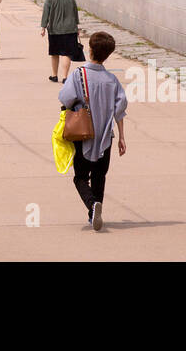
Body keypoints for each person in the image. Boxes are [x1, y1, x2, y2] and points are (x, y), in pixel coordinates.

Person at [58, 31, 128, 231]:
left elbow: (65, 98)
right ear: (108, 55)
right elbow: (120, 110)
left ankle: (91, 205)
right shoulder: (112, 80)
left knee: (80, 176)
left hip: (83, 134)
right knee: (99, 176)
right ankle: (96, 211)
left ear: (90, 50)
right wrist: (122, 137)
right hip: (106, 136)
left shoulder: (78, 75)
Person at [40, 0, 84, 82]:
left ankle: (54, 75)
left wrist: (43, 27)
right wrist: (77, 27)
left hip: (54, 30)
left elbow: (46, 14)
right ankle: (65, 77)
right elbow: (75, 13)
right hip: (70, 29)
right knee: (66, 53)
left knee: (54, 53)